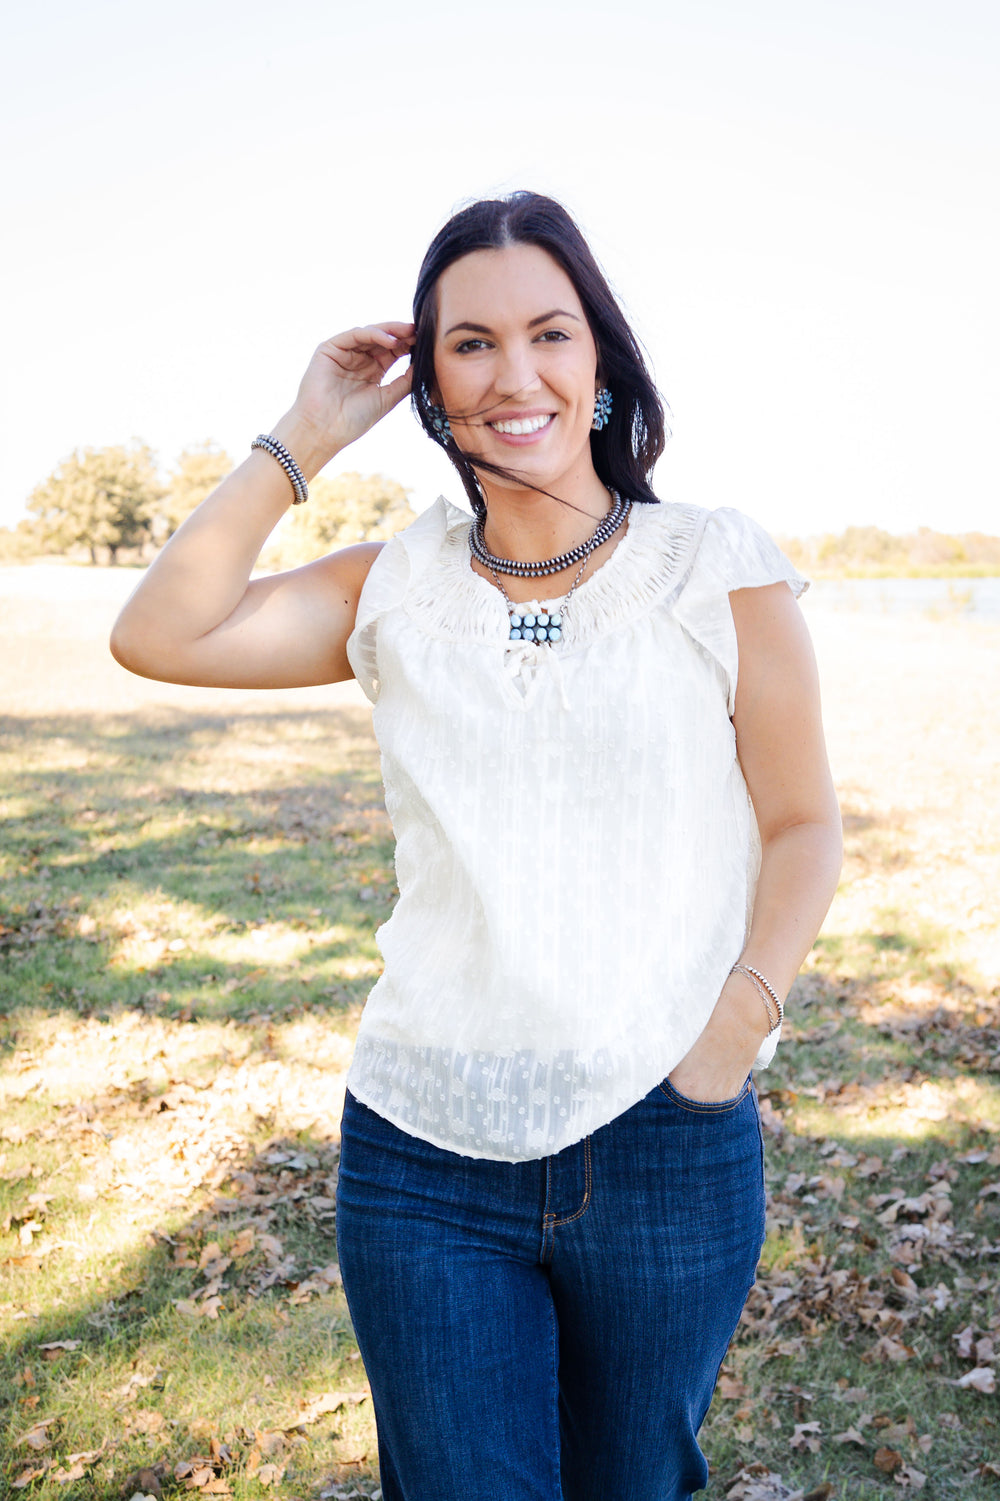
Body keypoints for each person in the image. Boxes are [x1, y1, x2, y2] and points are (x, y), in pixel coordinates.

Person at [111, 191, 843, 1501]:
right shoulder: (390, 584)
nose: (517, 374)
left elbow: (801, 823)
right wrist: (304, 436)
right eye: (471, 345)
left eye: (552, 334)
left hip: (664, 1139)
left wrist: (731, 1031)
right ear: (434, 388)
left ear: (601, 362)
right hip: (424, 1151)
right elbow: (160, 632)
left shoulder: (711, 567)